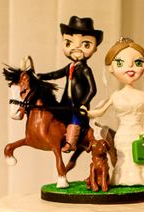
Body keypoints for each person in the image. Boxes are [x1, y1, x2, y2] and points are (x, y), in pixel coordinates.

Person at [85, 37, 144, 186]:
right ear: (111, 68)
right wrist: (87, 112)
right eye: (120, 63)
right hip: (123, 132)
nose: (130, 68)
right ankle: (122, 179)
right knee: (124, 156)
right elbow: (101, 111)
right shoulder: (116, 95)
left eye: (137, 63)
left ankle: (141, 179)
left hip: (138, 132)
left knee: (138, 158)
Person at [38, 16, 103, 153]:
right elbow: (56, 74)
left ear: (95, 48)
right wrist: (41, 76)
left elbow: (93, 89)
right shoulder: (70, 67)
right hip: (66, 102)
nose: (76, 49)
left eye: (86, 45)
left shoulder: (85, 69)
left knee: (75, 119)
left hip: (78, 105)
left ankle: (70, 143)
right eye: (69, 43)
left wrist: (84, 104)